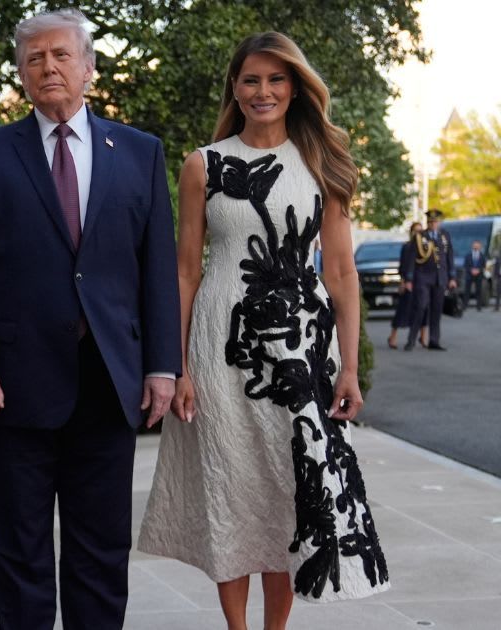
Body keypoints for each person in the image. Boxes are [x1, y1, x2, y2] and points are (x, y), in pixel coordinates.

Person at [138, 32, 390, 630]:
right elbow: (185, 271)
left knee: (286, 491)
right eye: (251, 80)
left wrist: (349, 366)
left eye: (276, 80)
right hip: (219, 349)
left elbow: (342, 272)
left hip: (302, 352)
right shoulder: (204, 164)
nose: (263, 91)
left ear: (295, 87)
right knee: (231, 487)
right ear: (235, 87)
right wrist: (180, 366)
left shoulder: (322, 165)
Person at [0, 9, 180, 628]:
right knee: (19, 548)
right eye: (33, 59)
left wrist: (162, 366)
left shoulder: (140, 153)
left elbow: (155, 271)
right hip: (13, 387)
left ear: (89, 68)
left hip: (110, 381)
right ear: (21, 75)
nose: (48, 67)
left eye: (61, 56)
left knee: (101, 547)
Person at [402, 209, 455, 350]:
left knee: (437, 310)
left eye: (435, 221)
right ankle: (411, 339)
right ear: (427, 223)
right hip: (423, 278)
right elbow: (412, 259)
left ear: (439, 222)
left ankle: (434, 340)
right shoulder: (420, 236)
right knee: (421, 306)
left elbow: (449, 257)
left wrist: (452, 277)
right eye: (430, 222)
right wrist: (408, 279)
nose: (433, 224)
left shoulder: (445, 235)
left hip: (440, 278)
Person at [388, 222, 428, 349]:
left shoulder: (425, 247)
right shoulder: (407, 247)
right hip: (409, 283)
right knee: (403, 311)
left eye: (420, 231)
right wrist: (404, 282)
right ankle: (392, 337)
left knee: (423, 310)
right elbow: (402, 267)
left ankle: (423, 336)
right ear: (411, 232)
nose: (418, 234)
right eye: (415, 231)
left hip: (422, 282)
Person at [464, 239, 486, 311]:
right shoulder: (468, 255)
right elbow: (465, 265)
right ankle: (465, 306)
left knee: (478, 291)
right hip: (469, 276)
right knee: (467, 291)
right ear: (472, 246)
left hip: (479, 276)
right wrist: (471, 270)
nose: (476, 246)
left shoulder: (482, 256)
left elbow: (484, 266)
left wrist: (479, 270)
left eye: (477, 245)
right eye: (475, 245)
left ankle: (478, 307)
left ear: (480, 246)